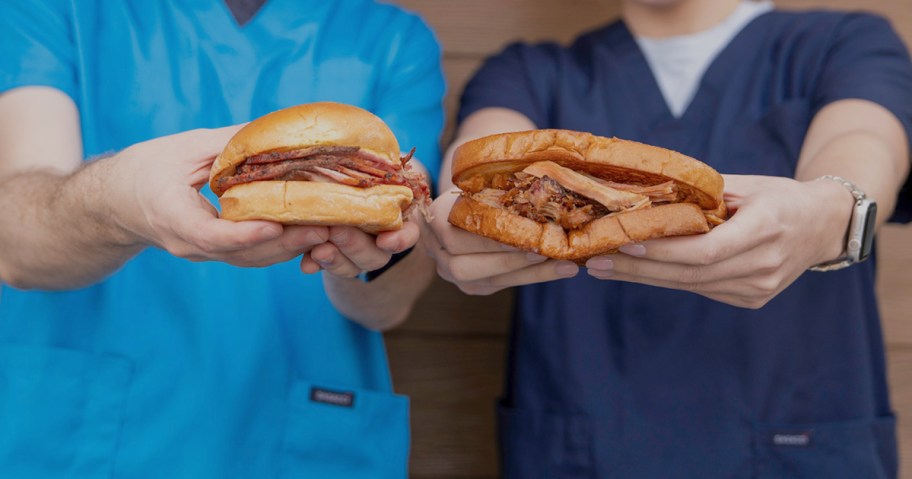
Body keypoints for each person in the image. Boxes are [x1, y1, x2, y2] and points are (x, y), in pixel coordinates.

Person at [422, 0, 912, 477]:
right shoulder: (526, 71)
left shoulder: (845, 43)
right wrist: (453, 221)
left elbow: (862, 144)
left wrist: (831, 210)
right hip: (581, 442)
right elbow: (476, 159)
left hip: (797, 436)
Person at [0, 0, 443, 477]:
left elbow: (390, 302)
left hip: (301, 434)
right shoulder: (52, 9)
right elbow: (15, 243)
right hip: (83, 434)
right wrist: (115, 200)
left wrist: (360, 255)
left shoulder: (397, 41)